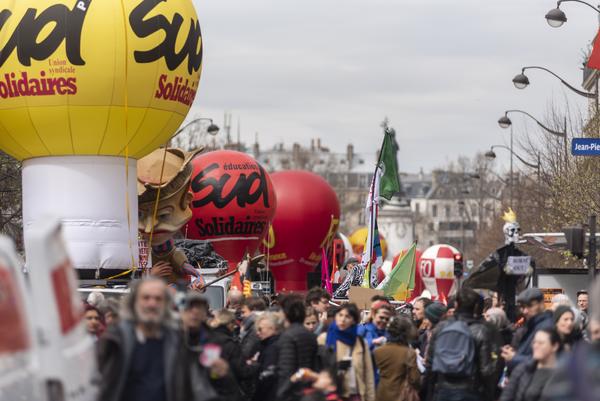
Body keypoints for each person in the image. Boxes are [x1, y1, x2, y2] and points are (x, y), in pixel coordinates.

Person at [97, 277, 218, 401]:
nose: (152, 304)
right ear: (134, 303)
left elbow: (195, 385)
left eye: (158, 299)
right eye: (146, 298)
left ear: (166, 304)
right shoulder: (116, 340)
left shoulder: (177, 341)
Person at [425, 287, 496, 401]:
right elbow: (485, 369)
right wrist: (489, 394)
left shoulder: (441, 327)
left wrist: (429, 392)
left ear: (456, 304)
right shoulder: (480, 331)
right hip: (470, 390)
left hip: (443, 389)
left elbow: (429, 362)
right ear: (475, 307)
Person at [318, 303, 375, 401]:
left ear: (353, 321)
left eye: (347, 316)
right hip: (333, 395)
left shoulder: (360, 342)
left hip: (356, 394)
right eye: (340, 315)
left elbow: (368, 375)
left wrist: (370, 398)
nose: (342, 319)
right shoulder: (324, 339)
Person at [500, 329, 561, 401]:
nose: (535, 346)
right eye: (534, 342)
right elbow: (507, 394)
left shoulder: (561, 376)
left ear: (555, 346)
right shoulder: (523, 369)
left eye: (541, 343)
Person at [278, 293, 319, 400]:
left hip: (292, 393)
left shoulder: (288, 336)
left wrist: (281, 393)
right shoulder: (311, 336)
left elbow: (286, 369)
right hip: (307, 391)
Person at [502, 288, 553, 371]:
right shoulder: (532, 325)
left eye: (530, 306)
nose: (525, 311)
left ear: (541, 304)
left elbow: (544, 362)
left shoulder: (547, 327)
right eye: (522, 307)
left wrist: (514, 357)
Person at [373, 316, 420, 401]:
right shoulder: (409, 353)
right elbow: (414, 379)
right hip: (401, 395)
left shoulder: (378, 351)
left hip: (381, 393)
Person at [251, 312, 283, 401]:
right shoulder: (266, 345)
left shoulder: (273, 348)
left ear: (273, 328)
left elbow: (267, 377)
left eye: (260, 329)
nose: (257, 333)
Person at [240, 296, 267, 363]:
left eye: (244, 312)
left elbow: (247, 352)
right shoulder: (263, 323)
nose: (242, 315)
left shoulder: (255, 326)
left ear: (254, 310)